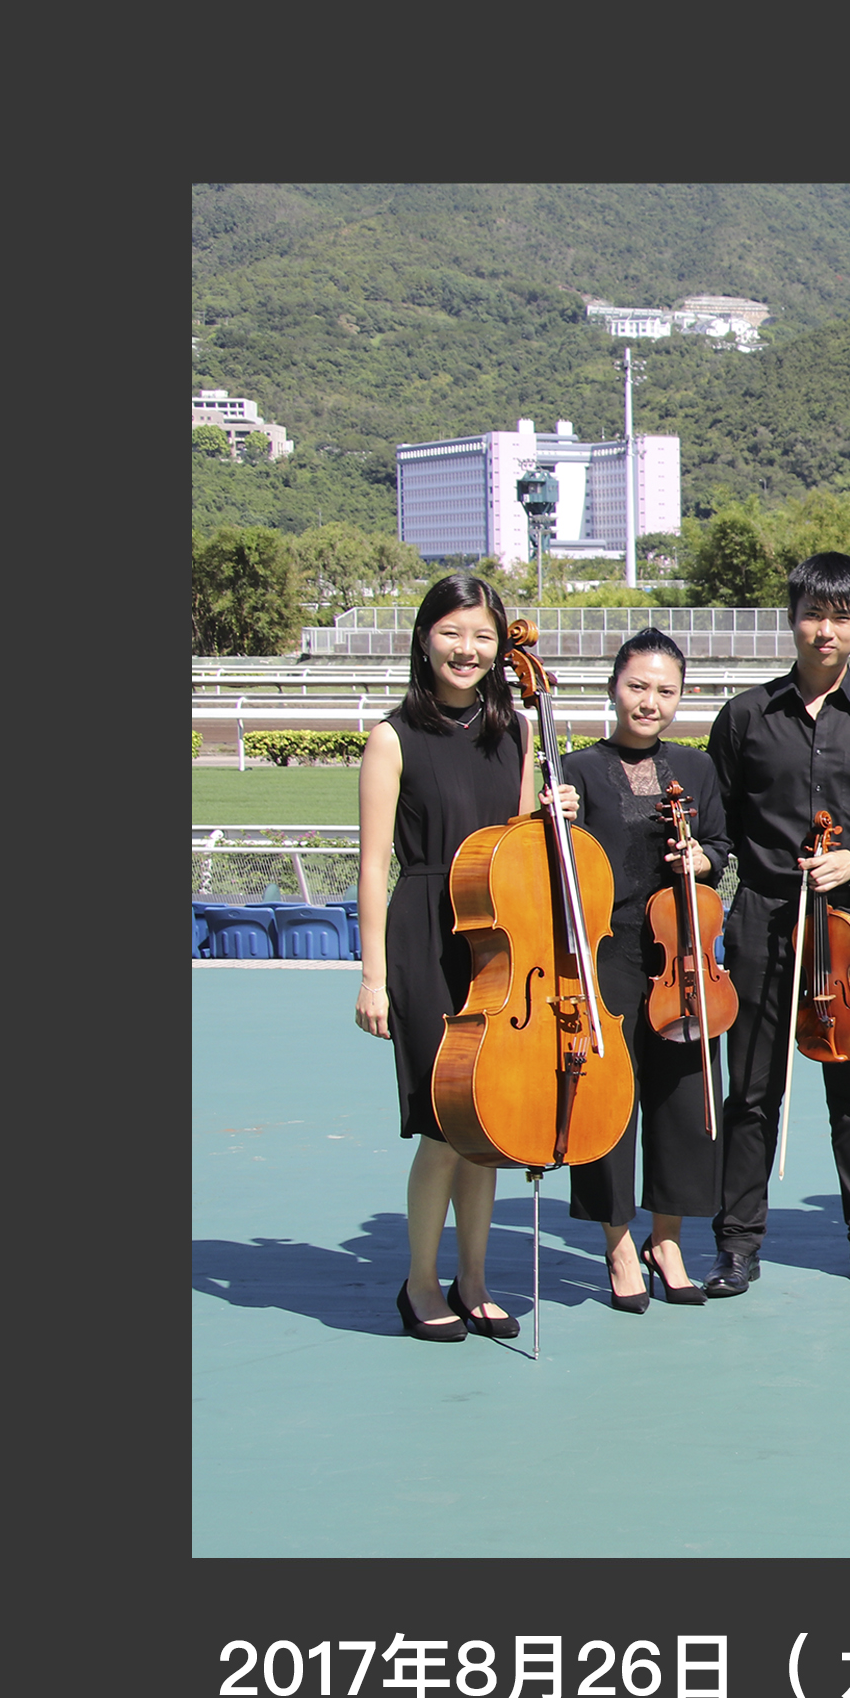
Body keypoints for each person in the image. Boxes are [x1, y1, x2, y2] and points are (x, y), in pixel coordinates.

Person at [701, 552, 850, 1297]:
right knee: (751, 1089)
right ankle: (737, 1243)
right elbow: (720, 827)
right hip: (764, 917)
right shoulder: (744, 717)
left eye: (841, 617)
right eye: (811, 614)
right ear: (792, 619)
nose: (825, 630)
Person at [354, 574, 541, 1340]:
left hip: (497, 940)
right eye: (452, 632)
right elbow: (373, 867)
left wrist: (552, 814)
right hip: (425, 935)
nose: (468, 649)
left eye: (483, 636)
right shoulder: (392, 737)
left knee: (486, 1123)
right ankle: (420, 1283)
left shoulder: (518, 731)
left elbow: (521, 846)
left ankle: (475, 1279)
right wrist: (372, 979)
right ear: (425, 638)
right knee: (441, 1123)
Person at [561, 629, 731, 1310]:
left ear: (681, 698)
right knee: (608, 1101)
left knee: (686, 1100)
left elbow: (720, 845)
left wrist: (701, 858)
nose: (649, 702)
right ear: (613, 687)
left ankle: (667, 1241)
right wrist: (552, 819)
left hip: (681, 954)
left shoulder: (696, 768)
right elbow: (555, 860)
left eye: (665, 691)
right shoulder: (576, 769)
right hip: (605, 953)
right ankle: (618, 1245)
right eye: (637, 686)